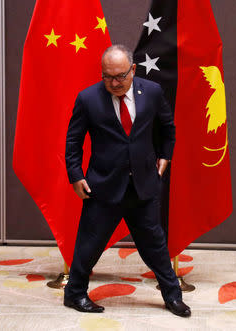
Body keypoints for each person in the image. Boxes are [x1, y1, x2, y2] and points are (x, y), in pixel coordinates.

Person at [64, 45, 190, 317]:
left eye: (120, 76)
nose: (114, 83)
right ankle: (74, 294)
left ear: (133, 70)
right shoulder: (88, 98)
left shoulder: (152, 92)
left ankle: (172, 296)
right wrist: (75, 175)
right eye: (108, 77)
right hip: (104, 185)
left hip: (143, 185)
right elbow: (73, 141)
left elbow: (168, 128)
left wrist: (165, 157)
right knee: (89, 243)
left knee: (154, 245)